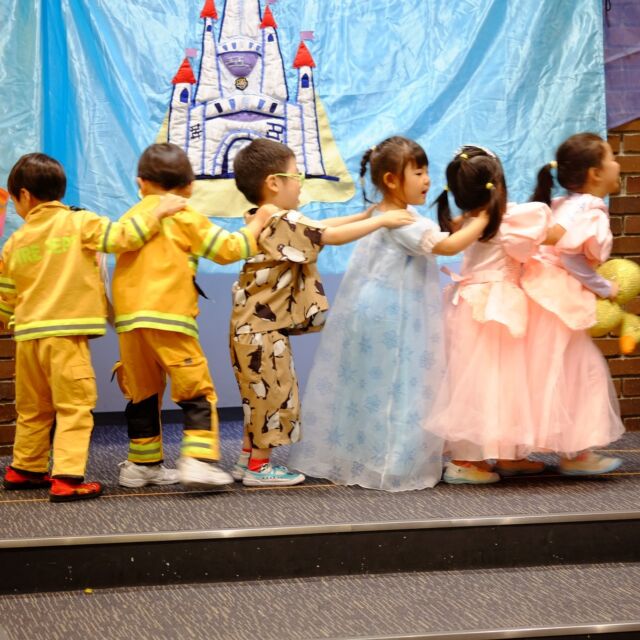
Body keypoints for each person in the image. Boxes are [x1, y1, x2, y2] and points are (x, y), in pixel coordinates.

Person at [287, 136, 488, 491]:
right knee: (400, 385)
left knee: (372, 388)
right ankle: (394, 463)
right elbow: (448, 245)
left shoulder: (388, 214)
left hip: (374, 310)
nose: (427, 180)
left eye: (427, 172)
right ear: (392, 180)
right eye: (419, 172)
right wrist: (484, 219)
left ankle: (363, 457)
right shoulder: (402, 221)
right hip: (393, 318)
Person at [229, 137, 414, 486]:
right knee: (273, 393)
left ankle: (246, 460)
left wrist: (363, 215)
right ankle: (259, 468)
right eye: (296, 176)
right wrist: (380, 222)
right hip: (262, 331)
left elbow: (316, 228)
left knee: (257, 394)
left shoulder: (264, 216)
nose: (300, 184)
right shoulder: (278, 218)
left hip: (247, 327)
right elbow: (328, 236)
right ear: (274, 183)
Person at [0, 152, 185, 501]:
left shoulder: (14, 242)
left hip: (26, 338)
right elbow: (123, 238)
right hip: (65, 338)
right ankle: (67, 479)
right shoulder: (79, 223)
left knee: (33, 409)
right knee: (74, 407)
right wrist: (157, 211)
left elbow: (5, 296)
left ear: (25, 196)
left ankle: (25, 468)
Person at [113, 143, 274, 489]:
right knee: (196, 390)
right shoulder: (184, 216)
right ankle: (198, 461)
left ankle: (142, 465)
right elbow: (227, 249)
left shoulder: (132, 217)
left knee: (142, 393)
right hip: (169, 317)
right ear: (189, 187)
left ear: (141, 183)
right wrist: (259, 222)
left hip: (129, 322)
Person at [424, 145, 552, 484]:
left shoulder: (467, 221)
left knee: (500, 382)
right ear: (498, 184)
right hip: (494, 308)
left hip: (476, 305)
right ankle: (466, 459)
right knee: (484, 383)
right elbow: (528, 249)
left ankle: (509, 452)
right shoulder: (505, 222)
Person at [521, 133, 624, 474]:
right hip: (558, 298)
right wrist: (603, 286)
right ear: (595, 173)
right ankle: (577, 453)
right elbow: (572, 260)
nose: (618, 164)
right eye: (611, 157)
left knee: (552, 370)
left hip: (543, 294)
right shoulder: (591, 209)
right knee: (582, 370)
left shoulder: (566, 203)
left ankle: (556, 450)